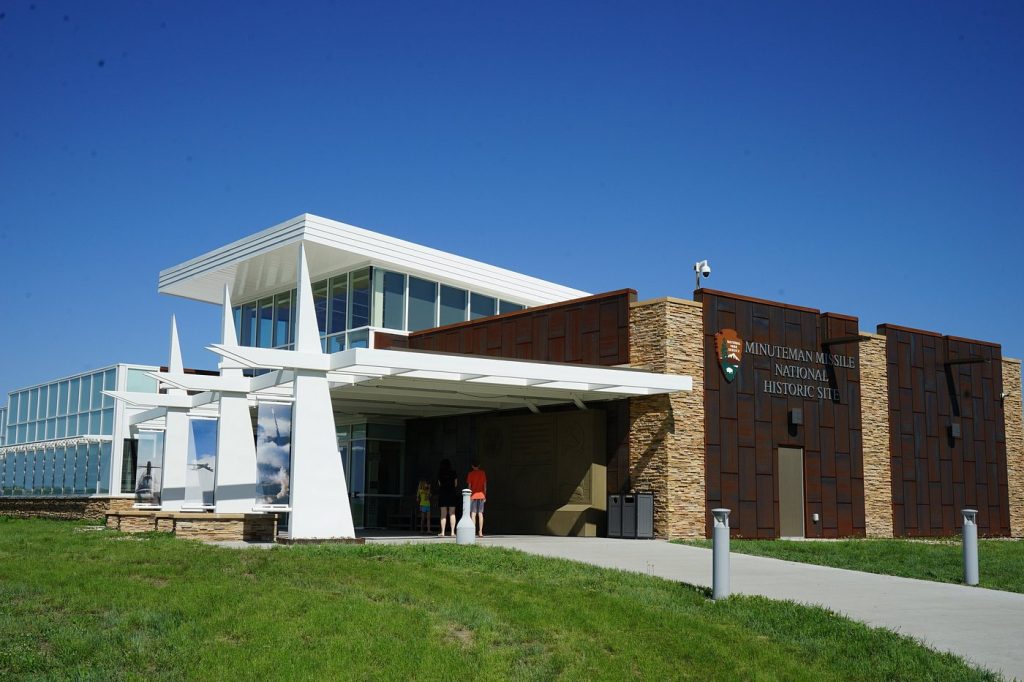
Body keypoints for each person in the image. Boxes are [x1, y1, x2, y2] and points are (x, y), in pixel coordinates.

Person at [435, 459, 459, 537]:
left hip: (443, 494)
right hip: (452, 493)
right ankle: (452, 532)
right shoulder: (454, 472)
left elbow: (439, 484)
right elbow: (455, 484)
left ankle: (442, 532)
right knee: (452, 513)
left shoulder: (440, 473)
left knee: (443, 514)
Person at [466, 462, 487, 537]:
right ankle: (480, 531)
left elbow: (469, 486)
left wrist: (469, 495)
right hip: (481, 495)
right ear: (479, 465)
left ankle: (473, 531)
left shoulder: (470, 474)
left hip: (473, 496)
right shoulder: (483, 473)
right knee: (480, 514)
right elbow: (485, 486)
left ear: (472, 466)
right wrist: (485, 495)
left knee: (473, 514)